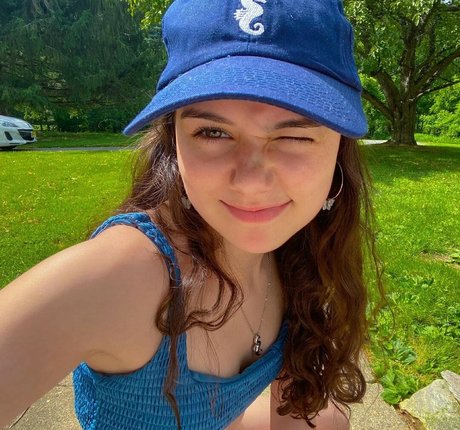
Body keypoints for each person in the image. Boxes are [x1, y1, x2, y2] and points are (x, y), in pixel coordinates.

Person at [0, 0, 383, 429]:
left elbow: (290, 409)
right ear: (174, 142)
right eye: (213, 132)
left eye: (294, 135)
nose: (250, 182)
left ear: (339, 151)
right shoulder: (120, 276)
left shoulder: (299, 254)